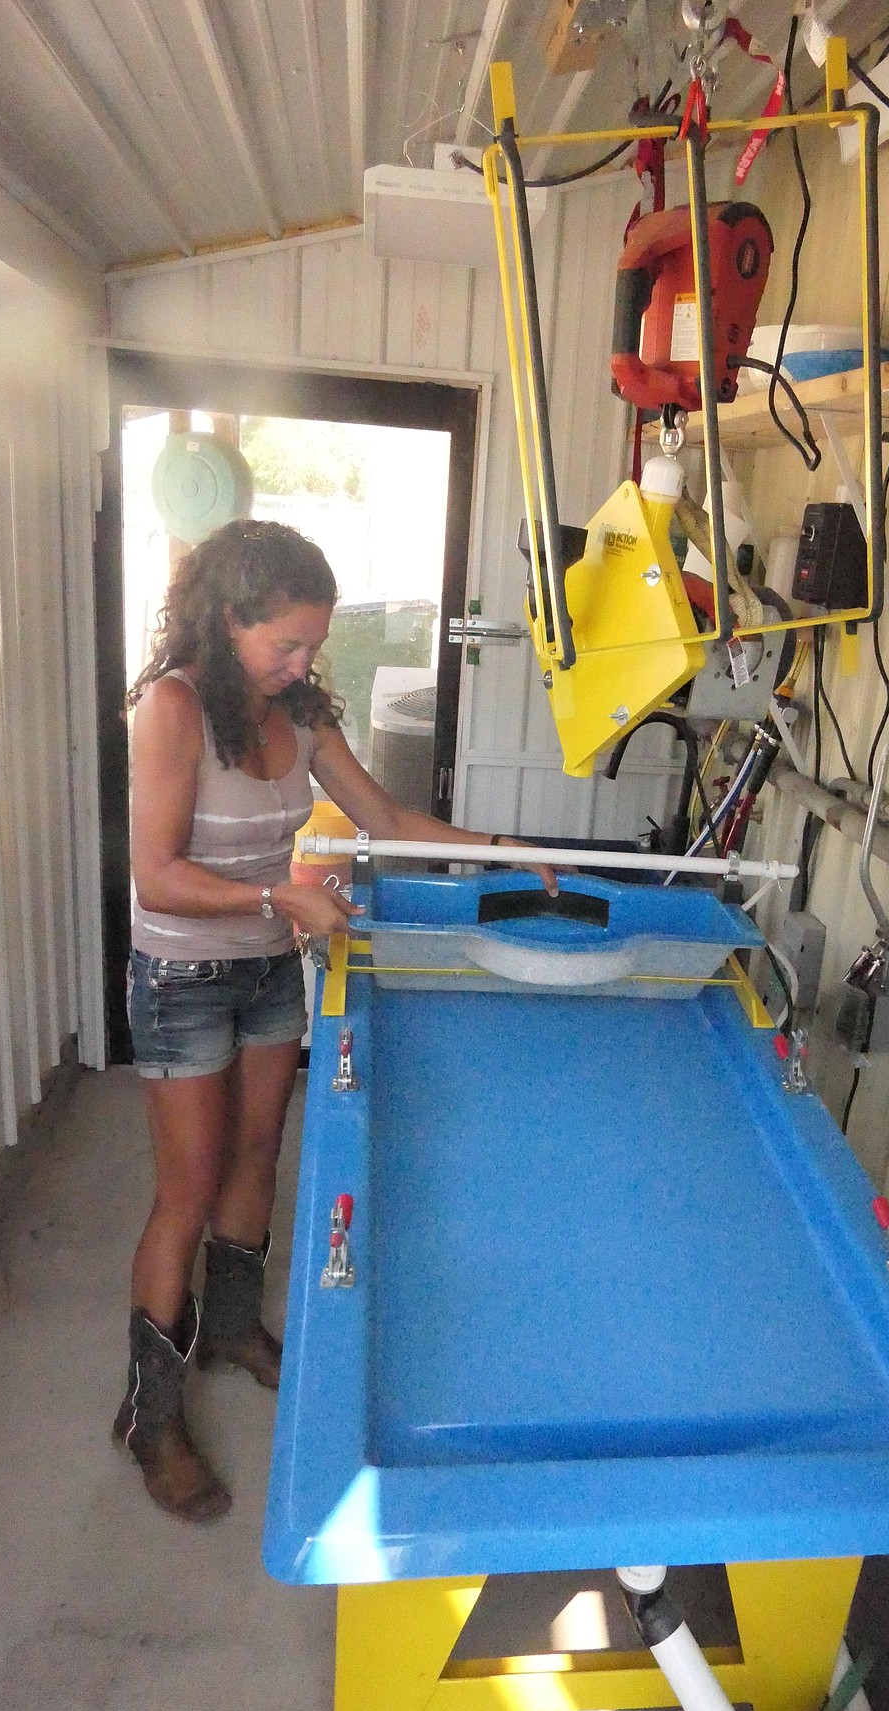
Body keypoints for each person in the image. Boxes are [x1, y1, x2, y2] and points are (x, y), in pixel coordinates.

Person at [117, 518, 556, 1522]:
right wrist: (283, 898)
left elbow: (386, 821)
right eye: (286, 644)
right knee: (184, 1190)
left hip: (271, 967)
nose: (303, 662)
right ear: (228, 620)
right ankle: (151, 1416)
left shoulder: (301, 713)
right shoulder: (171, 710)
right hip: (183, 977)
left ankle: (231, 1328)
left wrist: (498, 845)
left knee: (258, 1157)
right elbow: (156, 876)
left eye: (313, 645)